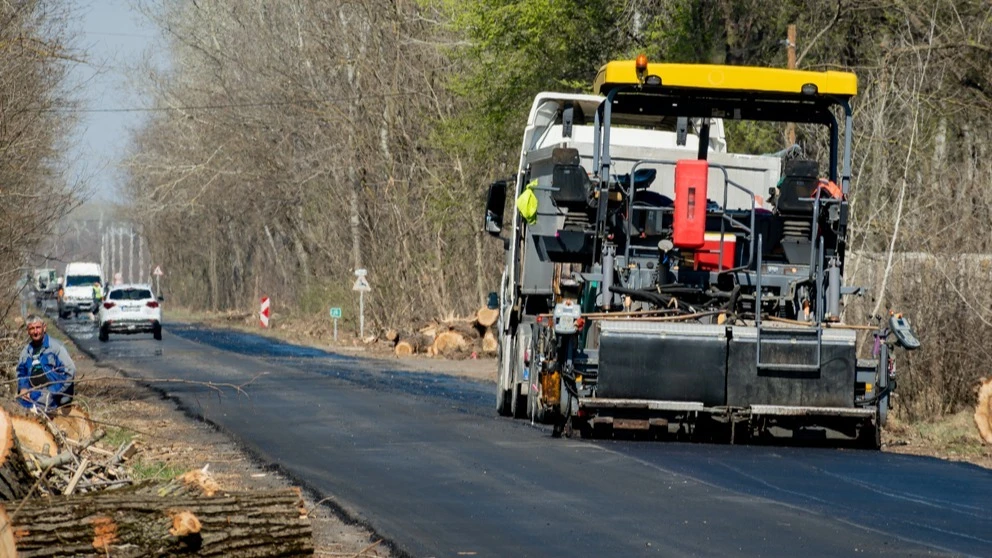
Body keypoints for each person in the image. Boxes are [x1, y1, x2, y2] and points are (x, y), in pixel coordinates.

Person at [15, 315, 75, 413]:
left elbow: (70, 371)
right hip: (34, 391)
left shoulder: (56, 348)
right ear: (28, 331)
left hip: (54, 392)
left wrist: (54, 391)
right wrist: (23, 388)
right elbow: (21, 372)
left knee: (37, 410)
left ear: (44, 327)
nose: (35, 332)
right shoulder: (26, 351)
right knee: (19, 406)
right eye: (32, 329)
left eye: (38, 327)